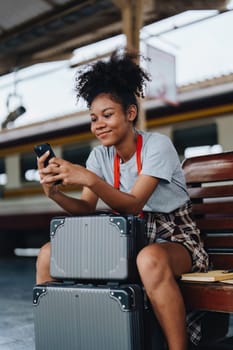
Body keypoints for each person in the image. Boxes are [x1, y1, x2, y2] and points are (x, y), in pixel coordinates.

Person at [36, 51, 208, 350]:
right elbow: (86, 207)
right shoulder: (99, 156)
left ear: (130, 113)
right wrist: (55, 193)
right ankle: (62, 338)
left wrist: (90, 178)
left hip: (175, 237)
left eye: (107, 114)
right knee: (49, 254)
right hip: (124, 238)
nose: (98, 124)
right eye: (93, 118)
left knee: (150, 258)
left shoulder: (157, 145)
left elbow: (133, 204)